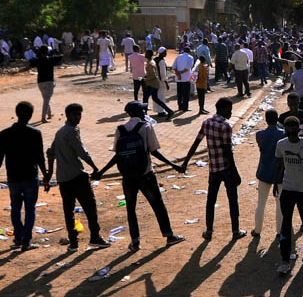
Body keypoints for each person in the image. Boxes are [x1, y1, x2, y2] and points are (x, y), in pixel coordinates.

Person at [92, 101, 186, 251]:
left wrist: (101, 172)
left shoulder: (120, 129)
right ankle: (169, 235)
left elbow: (117, 155)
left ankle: (135, 241)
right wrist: (173, 165)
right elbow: (154, 151)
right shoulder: (146, 127)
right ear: (141, 113)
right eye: (144, 111)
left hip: (128, 176)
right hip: (145, 174)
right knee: (157, 205)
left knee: (131, 208)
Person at [46, 103, 109, 250]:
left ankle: (73, 242)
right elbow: (82, 152)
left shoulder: (61, 131)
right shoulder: (71, 131)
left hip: (63, 178)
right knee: (90, 207)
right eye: (75, 115)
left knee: (69, 211)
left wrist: (49, 175)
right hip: (76, 176)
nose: (78, 117)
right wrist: (94, 167)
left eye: (79, 114)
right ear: (68, 115)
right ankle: (95, 237)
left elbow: (50, 153)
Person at [183, 97, 247, 240]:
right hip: (226, 168)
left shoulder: (206, 123)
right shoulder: (225, 126)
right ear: (223, 109)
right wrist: (235, 172)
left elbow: (196, 143)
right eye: (229, 110)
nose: (230, 113)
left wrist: (185, 162)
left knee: (211, 200)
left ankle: (209, 231)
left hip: (213, 169)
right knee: (232, 200)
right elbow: (227, 152)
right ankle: (235, 231)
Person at [0, 101, 48, 251]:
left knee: (15, 207)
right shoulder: (35, 133)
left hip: (13, 177)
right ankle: (26, 240)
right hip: (30, 175)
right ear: (30, 115)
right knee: (30, 208)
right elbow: (40, 157)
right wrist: (46, 175)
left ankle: (18, 237)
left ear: (16, 113)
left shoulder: (5, 134)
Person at [273, 115, 303, 274]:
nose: (292, 136)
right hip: (288, 189)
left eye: (294, 133)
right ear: (285, 131)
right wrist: (275, 183)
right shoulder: (281, 144)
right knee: (286, 224)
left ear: (299, 131)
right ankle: (285, 260)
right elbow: (280, 165)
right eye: (289, 133)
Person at [252, 109, 285, 239]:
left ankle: (258, 230)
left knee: (261, 203)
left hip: (264, 171)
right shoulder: (283, 134)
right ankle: (279, 231)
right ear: (277, 120)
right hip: (279, 173)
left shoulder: (260, 134)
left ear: (266, 119)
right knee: (280, 204)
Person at [27, 46, 63, 123]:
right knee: (46, 99)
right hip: (49, 82)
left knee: (45, 98)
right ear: (47, 51)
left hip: (40, 82)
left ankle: (49, 114)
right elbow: (63, 56)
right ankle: (43, 117)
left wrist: (16, 72)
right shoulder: (50, 59)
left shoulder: (37, 60)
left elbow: (28, 67)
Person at [142, 47, 173, 118]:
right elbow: (163, 73)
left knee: (153, 98)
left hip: (154, 81)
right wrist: (166, 82)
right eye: (165, 52)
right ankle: (163, 111)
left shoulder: (155, 60)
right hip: (160, 81)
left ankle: (159, 111)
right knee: (159, 97)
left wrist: (145, 79)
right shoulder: (161, 61)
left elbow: (153, 73)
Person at [173, 45, 195, 112]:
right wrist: (180, 73)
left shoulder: (178, 57)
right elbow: (187, 68)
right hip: (186, 78)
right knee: (186, 94)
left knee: (179, 93)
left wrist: (178, 74)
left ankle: (180, 106)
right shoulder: (190, 57)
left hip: (179, 78)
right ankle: (185, 107)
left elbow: (174, 67)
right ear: (189, 51)